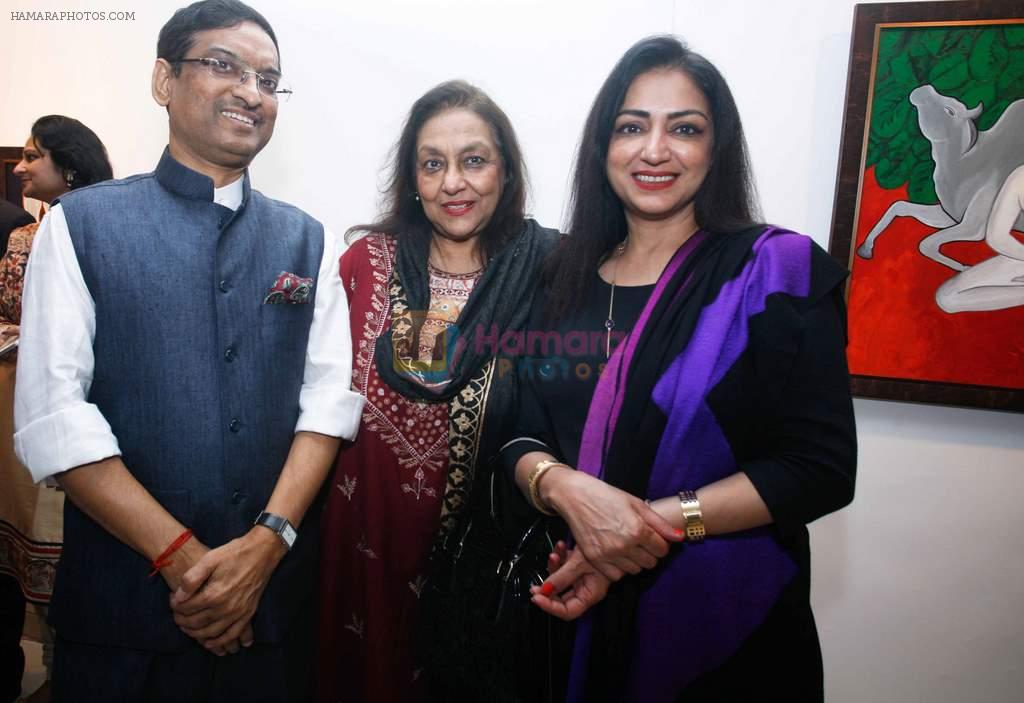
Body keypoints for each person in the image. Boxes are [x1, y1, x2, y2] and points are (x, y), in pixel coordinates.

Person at [12, 2, 364, 701]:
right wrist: (186, 560)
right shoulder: (82, 227)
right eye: (224, 66)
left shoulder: (309, 241)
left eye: (269, 78)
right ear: (163, 81)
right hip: (123, 618)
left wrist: (264, 548)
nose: (250, 91)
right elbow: (55, 419)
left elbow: (326, 406)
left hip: (269, 612)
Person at [500, 36, 857, 702]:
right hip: (568, 605)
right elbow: (517, 428)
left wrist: (645, 525)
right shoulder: (559, 276)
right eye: (631, 126)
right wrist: (564, 490)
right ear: (603, 146)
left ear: (715, 149)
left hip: (725, 625)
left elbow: (820, 469)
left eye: (684, 129)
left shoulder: (775, 273)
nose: (654, 150)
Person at [316, 80, 557, 703]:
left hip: (484, 557)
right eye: (433, 164)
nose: (454, 182)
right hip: (360, 547)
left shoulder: (549, 270)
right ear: (412, 178)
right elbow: (315, 398)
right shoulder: (365, 265)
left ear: (505, 169)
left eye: (474, 160)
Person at [0, 115, 113, 703]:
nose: (20, 167)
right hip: (16, 409)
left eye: (33, 156)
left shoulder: (107, 228)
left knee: (71, 548)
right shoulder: (24, 235)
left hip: (86, 412)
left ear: (68, 162)